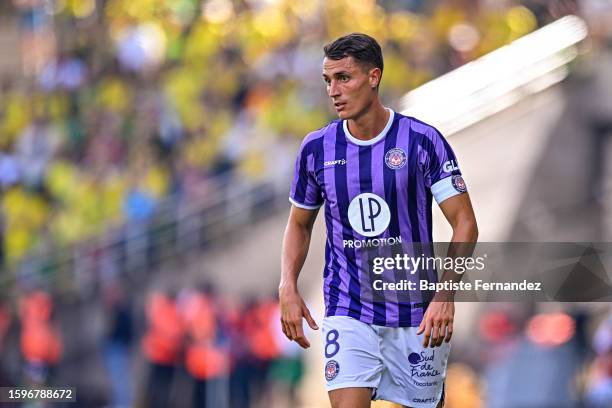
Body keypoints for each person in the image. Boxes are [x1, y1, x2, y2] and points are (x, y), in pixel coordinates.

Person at [279, 33, 478, 408]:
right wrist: (287, 285)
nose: (333, 90)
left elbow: (465, 223)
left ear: (373, 76)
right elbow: (299, 223)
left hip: (418, 313)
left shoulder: (422, 141)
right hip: (348, 308)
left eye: (344, 78)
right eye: (328, 80)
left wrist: (445, 295)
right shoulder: (316, 149)